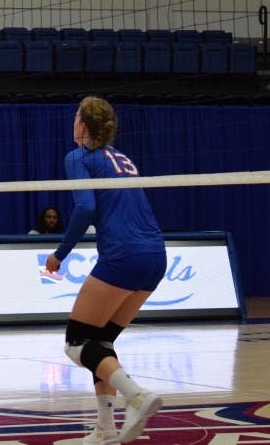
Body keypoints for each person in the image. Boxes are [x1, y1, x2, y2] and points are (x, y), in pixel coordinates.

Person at [44, 96, 166, 445]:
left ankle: (138, 397)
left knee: (75, 343)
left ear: (83, 125)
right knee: (101, 343)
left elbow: (84, 209)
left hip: (123, 256)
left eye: (75, 117)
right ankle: (105, 429)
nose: (72, 123)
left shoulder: (78, 157)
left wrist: (60, 253)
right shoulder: (123, 158)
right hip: (156, 256)